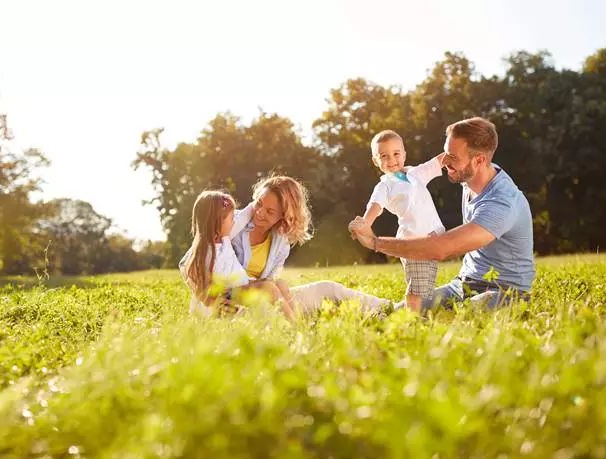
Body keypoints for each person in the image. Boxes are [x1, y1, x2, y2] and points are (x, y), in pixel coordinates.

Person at [349, 117, 535, 310]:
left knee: (466, 314)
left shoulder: (502, 202)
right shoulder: (469, 178)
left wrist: (375, 243)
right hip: (462, 286)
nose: (446, 163)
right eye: (446, 154)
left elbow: (439, 249)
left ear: (479, 160)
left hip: (504, 291)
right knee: (402, 312)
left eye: (452, 158)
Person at [233, 176, 393, 315]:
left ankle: (390, 308)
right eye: (259, 203)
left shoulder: (280, 242)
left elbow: (271, 282)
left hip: (261, 300)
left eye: (270, 212)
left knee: (327, 288)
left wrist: (282, 297)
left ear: (284, 217)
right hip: (229, 302)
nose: (260, 212)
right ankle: (295, 326)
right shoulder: (231, 224)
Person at [361, 129, 446, 312]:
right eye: (384, 156)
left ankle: (414, 314)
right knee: (417, 287)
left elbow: (437, 162)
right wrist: (365, 223)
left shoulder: (415, 173)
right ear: (376, 161)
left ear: (404, 154)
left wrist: (456, 153)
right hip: (413, 240)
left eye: (396, 154)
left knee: (425, 284)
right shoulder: (385, 185)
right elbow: (375, 206)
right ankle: (411, 318)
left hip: (434, 236)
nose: (391, 160)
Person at [179, 190, 295, 319]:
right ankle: (295, 326)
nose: (235, 221)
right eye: (231, 218)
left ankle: (298, 319)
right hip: (225, 296)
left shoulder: (224, 240)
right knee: (268, 288)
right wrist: (213, 302)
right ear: (217, 222)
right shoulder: (205, 250)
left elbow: (245, 215)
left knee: (280, 284)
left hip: (240, 287)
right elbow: (196, 280)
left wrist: (264, 199)